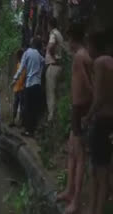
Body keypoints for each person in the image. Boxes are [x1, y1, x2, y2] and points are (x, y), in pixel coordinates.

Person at [56, 24, 93, 214]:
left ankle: (76, 200)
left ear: (73, 39)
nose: (67, 43)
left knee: (79, 156)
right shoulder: (83, 55)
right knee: (72, 151)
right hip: (77, 108)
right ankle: (69, 191)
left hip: (81, 108)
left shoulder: (80, 56)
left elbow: (88, 85)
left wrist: (88, 111)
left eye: (69, 39)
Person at [84, 29, 113, 214]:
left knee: (98, 171)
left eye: (89, 45)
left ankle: (97, 209)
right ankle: (95, 209)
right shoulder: (110, 61)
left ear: (95, 46)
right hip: (110, 120)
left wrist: (88, 116)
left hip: (102, 120)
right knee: (100, 169)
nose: (87, 49)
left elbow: (99, 96)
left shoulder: (100, 63)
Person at [12, 37, 44, 137]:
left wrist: (14, 79)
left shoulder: (27, 53)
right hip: (37, 84)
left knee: (27, 108)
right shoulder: (39, 56)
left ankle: (27, 130)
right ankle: (32, 130)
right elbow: (43, 65)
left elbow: (21, 68)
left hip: (29, 84)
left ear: (32, 43)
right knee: (34, 108)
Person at [45, 17, 64, 122]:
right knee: (55, 93)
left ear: (49, 25)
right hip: (58, 66)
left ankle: (51, 119)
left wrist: (52, 56)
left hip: (53, 66)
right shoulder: (59, 34)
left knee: (50, 94)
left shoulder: (53, 33)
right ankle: (55, 117)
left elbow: (51, 47)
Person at [10, 49, 26, 127]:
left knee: (20, 105)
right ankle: (14, 121)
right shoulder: (19, 64)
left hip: (21, 87)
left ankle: (19, 122)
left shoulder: (23, 64)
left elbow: (22, 75)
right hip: (17, 87)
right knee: (16, 105)